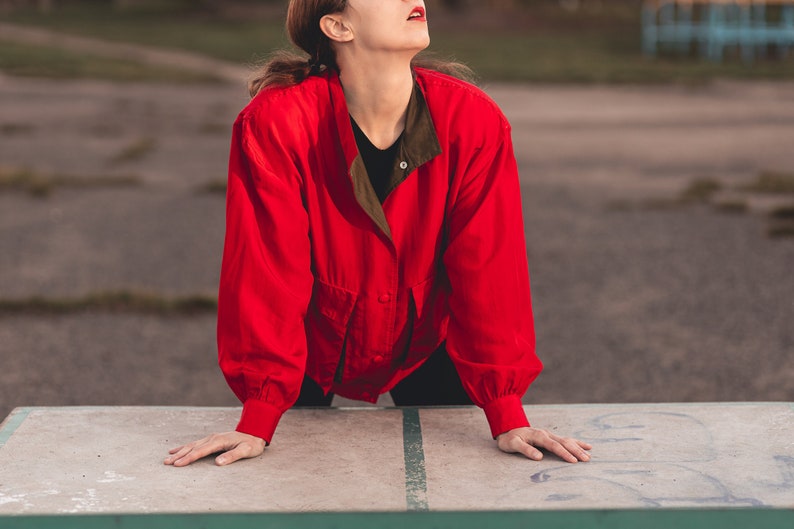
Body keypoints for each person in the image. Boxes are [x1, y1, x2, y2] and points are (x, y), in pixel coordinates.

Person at [165, 0, 591, 468]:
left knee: (461, 489)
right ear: (337, 25)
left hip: (428, 338)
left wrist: (507, 413)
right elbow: (266, 273)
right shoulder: (277, 122)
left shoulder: (473, 121)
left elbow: (488, 271)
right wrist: (258, 416)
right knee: (295, 491)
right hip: (310, 342)